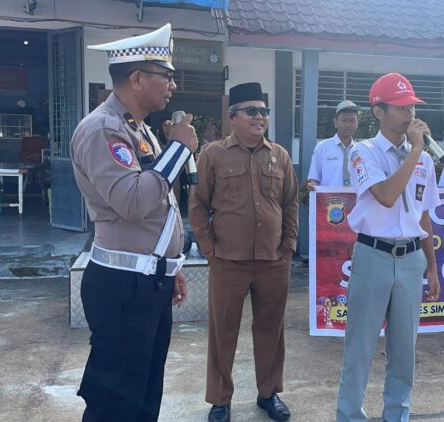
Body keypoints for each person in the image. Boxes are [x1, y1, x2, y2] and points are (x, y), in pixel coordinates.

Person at [71, 24, 197, 421]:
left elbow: (162, 205)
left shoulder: (138, 128)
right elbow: (133, 202)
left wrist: (169, 264)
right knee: (116, 402)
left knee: (144, 395)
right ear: (137, 79)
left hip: (149, 282)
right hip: (122, 287)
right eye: (166, 76)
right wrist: (178, 149)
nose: (172, 86)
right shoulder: (103, 129)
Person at [189, 82, 299, 422]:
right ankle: (220, 400)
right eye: (252, 111)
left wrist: (288, 246)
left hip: (273, 261)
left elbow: (291, 202)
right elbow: (197, 205)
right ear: (233, 116)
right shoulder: (212, 155)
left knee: (271, 330)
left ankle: (268, 394)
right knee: (223, 331)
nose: (260, 117)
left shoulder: (279, 155)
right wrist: (210, 250)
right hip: (228, 261)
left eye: (263, 111)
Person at [336, 72, 441, 422]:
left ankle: (397, 415)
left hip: (411, 259)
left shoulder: (423, 158)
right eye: (401, 107)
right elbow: (385, 195)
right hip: (373, 256)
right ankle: (350, 416)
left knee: (404, 352)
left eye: (412, 105)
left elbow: (424, 216)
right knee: (360, 348)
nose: (410, 113)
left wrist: (432, 266)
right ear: (379, 112)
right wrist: (415, 151)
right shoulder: (363, 152)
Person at [306, 100, 360, 189]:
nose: (348, 125)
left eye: (352, 120)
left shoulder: (362, 150)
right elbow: (314, 179)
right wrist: (312, 185)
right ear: (335, 123)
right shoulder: (322, 148)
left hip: (356, 201)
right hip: (330, 201)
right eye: (344, 120)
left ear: (357, 122)